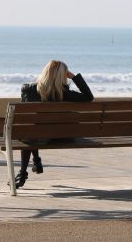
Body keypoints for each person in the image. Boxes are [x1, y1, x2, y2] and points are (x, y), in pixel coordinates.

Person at [12, 60, 94, 189]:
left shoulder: (28, 89)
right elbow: (89, 97)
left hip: (37, 137)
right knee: (34, 131)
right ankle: (36, 162)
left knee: (31, 132)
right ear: (63, 75)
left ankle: (23, 173)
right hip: (63, 137)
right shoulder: (65, 94)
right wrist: (74, 77)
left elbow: (30, 122)